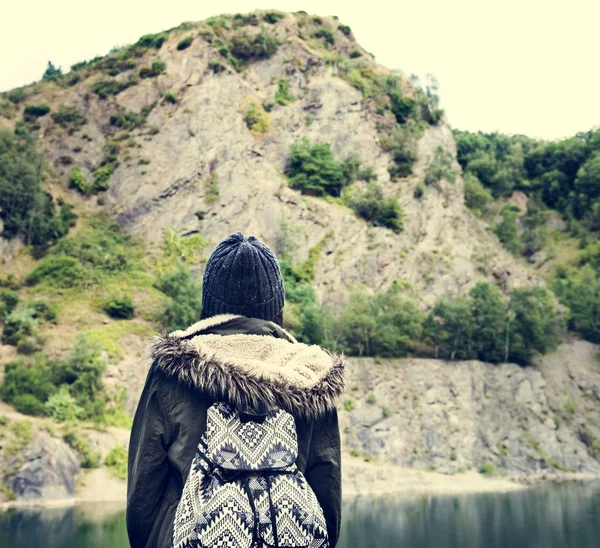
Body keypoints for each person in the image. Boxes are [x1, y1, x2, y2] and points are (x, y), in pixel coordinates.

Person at [127, 231, 345, 548]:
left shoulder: (173, 370)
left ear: (208, 309)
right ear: (278, 310)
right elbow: (327, 492)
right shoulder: (312, 376)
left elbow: (144, 490)